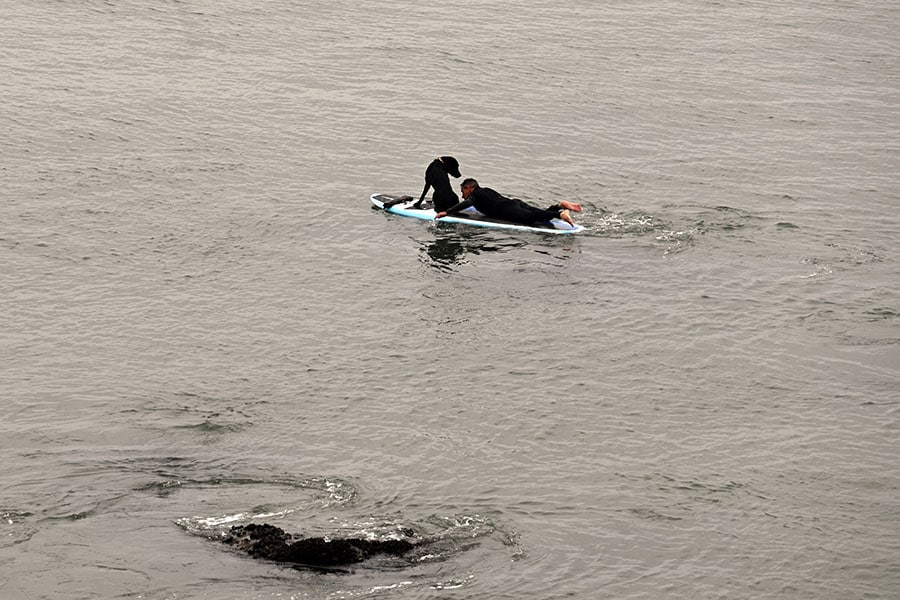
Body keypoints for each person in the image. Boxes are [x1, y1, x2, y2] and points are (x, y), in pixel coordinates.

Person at [436, 178, 582, 226]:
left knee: (531, 218)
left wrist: (446, 212)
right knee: (538, 213)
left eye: (463, 191)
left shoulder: (475, 195)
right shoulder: (486, 190)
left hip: (508, 210)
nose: (462, 195)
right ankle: (558, 206)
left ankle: (560, 215)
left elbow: (466, 204)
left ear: (469, 188)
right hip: (514, 203)